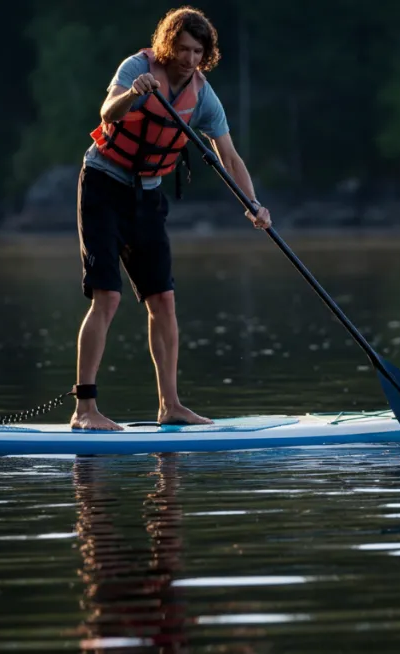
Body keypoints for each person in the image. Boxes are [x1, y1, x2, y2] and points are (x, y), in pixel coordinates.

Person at [70, 6, 271, 431]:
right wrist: (133, 94)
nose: (190, 59)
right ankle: (84, 410)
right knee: (107, 297)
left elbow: (228, 156)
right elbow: (108, 113)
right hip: (104, 187)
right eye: (183, 49)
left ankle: (171, 406)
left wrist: (253, 204)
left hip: (147, 195)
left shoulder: (203, 95)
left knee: (163, 300)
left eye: (198, 51)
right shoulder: (137, 67)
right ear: (168, 45)